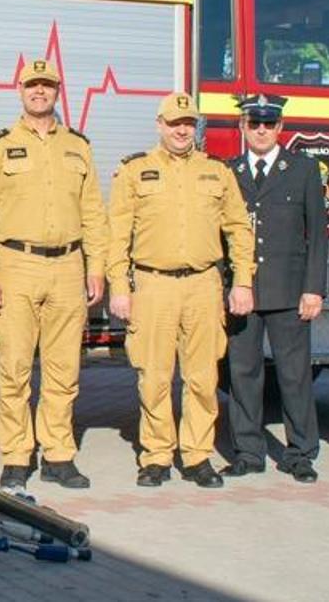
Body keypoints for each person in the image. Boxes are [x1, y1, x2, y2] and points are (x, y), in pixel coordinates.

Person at [0, 60, 107, 492]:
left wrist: (96, 267)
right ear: (20, 90)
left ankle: (59, 454)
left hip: (68, 266)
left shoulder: (78, 146)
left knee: (64, 368)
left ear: (57, 91)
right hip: (15, 265)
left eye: (47, 85)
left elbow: (93, 213)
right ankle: (16, 456)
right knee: (13, 369)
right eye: (33, 85)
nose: (40, 92)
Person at [106, 93, 256, 489]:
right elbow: (117, 233)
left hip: (204, 285)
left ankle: (196, 456)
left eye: (188, 123)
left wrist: (242, 280)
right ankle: (156, 456)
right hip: (153, 284)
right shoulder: (135, 171)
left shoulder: (217, 173)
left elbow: (238, 229)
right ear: (160, 125)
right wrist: (119, 287)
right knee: (153, 377)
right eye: (174, 123)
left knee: (203, 378)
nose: (181, 130)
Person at [222, 93, 328, 484]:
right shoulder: (229, 172)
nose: (262, 130)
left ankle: (301, 452)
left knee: (294, 375)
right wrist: (231, 285)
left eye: (269, 123)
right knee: (243, 373)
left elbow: (318, 233)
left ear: (281, 127)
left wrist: (314, 288)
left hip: (289, 291)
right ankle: (248, 451)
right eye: (254, 123)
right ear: (243, 127)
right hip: (244, 293)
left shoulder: (302, 170)